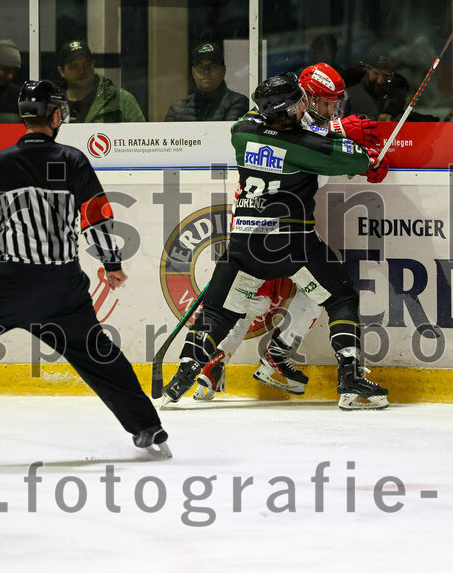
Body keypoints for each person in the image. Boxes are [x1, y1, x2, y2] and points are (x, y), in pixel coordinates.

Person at [0, 80, 169, 464]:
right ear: (56, 116)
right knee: (97, 352)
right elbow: (96, 217)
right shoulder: (73, 159)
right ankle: (147, 428)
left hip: (10, 285)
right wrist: (112, 265)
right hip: (62, 288)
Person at [157, 71, 391, 411]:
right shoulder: (304, 145)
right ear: (291, 107)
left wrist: (321, 131)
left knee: (216, 315)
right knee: (340, 296)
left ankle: (183, 375)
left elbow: (252, 126)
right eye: (300, 102)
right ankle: (351, 377)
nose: (304, 107)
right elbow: (355, 159)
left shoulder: (242, 131)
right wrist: (339, 136)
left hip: (245, 243)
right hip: (290, 244)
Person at [57, 40, 145, 123]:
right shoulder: (52, 103)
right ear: (62, 71)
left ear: (93, 65)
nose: (82, 71)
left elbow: (140, 136)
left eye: (87, 65)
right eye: (74, 67)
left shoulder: (121, 100)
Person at [165, 42, 250, 122]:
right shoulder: (177, 108)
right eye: (200, 67)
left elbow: (228, 136)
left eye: (213, 67)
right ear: (193, 72)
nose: (206, 72)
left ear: (223, 70)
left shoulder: (238, 102)